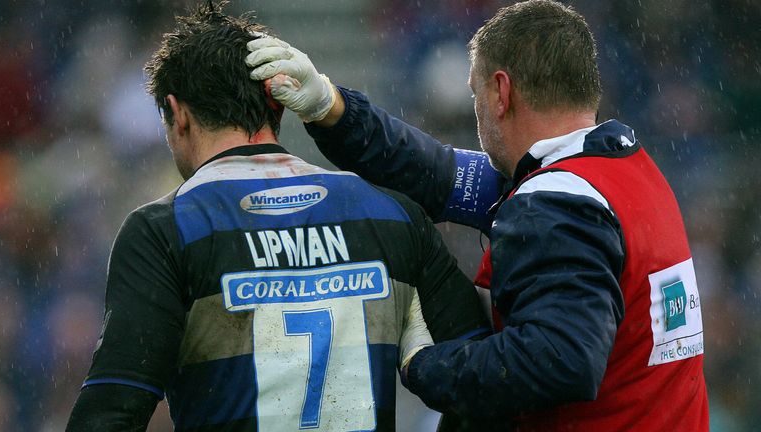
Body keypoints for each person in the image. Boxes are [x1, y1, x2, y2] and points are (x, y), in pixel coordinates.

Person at [245, 0, 710, 430]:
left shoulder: (554, 203)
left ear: (500, 91)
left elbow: (560, 361)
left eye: (475, 92)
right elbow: (435, 171)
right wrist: (331, 107)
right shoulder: (621, 170)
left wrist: (424, 364)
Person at [65, 2, 490, 431]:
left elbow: (112, 411)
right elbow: (482, 381)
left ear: (177, 114)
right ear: (281, 106)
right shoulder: (395, 216)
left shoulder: (164, 230)